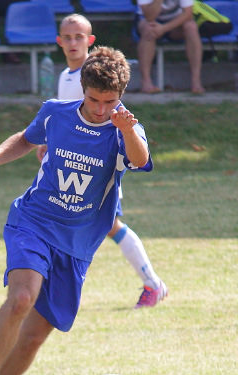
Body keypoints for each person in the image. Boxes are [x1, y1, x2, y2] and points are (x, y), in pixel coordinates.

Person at [0, 46, 153, 375]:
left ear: (121, 97)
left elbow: (140, 159)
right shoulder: (55, 113)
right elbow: (26, 138)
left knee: (32, 337)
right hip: (33, 221)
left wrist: (128, 128)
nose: (101, 109)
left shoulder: (125, 129)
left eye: (110, 102)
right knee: (22, 297)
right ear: (82, 90)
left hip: (77, 245)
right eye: (94, 100)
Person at [40, 13, 168, 309]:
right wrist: (49, 144)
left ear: (90, 40)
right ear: (59, 41)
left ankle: (153, 283)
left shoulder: (94, 78)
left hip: (99, 172)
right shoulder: (65, 77)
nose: (73, 43)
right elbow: (70, 123)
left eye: (79, 37)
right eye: (67, 38)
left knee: (107, 224)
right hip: (72, 169)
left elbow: (109, 119)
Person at [136, 0, 205, 94]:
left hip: (175, 22)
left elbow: (188, 14)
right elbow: (149, 17)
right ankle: (146, 82)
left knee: (191, 27)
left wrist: (163, 28)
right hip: (150, 21)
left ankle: (196, 81)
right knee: (148, 29)